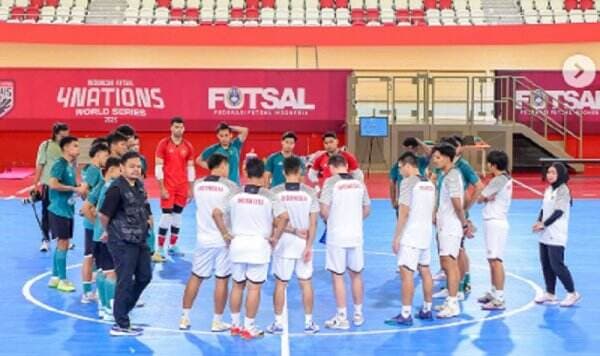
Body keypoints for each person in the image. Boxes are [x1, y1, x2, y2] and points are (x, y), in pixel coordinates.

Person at [213, 158, 288, 340]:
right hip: (259, 247)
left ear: (245, 173)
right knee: (254, 289)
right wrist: (275, 238)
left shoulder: (234, 194)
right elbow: (284, 217)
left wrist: (225, 234)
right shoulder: (270, 196)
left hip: (237, 245)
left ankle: (235, 325)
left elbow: (216, 213)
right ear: (263, 175)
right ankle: (249, 327)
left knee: (237, 286)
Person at [179, 153, 239, 332]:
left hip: (202, 239)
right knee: (222, 279)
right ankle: (217, 321)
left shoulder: (198, 184)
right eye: (227, 166)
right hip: (223, 240)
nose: (228, 169)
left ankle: (184, 318)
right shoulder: (231, 187)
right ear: (221, 165)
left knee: (196, 276)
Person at [99, 151, 153, 337]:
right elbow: (104, 215)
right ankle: (121, 324)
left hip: (140, 239)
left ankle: (121, 311)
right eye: (132, 166)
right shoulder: (116, 189)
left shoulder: (139, 185)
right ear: (121, 168)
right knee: (125, 280)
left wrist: (148, 219)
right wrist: (110, 232)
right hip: (122, 241)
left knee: (145, 276)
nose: (136, 169)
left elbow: (144, 205)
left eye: (138, 166)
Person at [267, 156, 320, 335]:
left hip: (283, 244)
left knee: (281, 283)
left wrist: (292, 230)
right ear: (300, 171)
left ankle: (278, 323)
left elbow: (275, 221)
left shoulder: (274, 192)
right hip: (303, 245)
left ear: (283, 172)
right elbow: (313, 223)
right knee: (305, 282)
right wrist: (309, 246)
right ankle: (309, 322)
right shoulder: (310, 193)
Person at [320, 154, 371, 330]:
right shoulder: (359, 182)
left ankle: (342, 317)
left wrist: (331, 221)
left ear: (332, 167)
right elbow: (367, 209)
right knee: (356, 274)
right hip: (356, 235)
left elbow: (324, 209)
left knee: (338, 275)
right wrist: (354, 221)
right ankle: (358, 314)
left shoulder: (330, 182)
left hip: (337, 236)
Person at [385, 152, 435, 326]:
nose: (399, 172)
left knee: (407, 274)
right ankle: (427, 309)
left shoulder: (407, 184)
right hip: (426, 233)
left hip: (411, 235)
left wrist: (397, 237)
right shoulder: (429, 183)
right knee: (426, 270)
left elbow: (403, 213)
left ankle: (405, 314)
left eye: (400, 167)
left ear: (407, 165)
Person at [431, 143, 472, 319]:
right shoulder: (446, 175)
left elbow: (457, 202)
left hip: (450, 225)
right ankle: (450, 299)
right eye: (434, 157)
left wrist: (464, 223)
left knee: (450, 263)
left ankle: (453, 303)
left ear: (448, 157)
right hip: (444, 224)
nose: (435, 160)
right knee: (446, 262)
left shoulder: (453, 176)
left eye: (438, 157)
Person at [532, 163, 581, 307]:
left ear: (560, 174)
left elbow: (559, 211)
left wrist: (544, 224)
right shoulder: (548, 189)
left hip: (556, 232)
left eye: (553, 173)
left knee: (557, 265)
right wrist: (539, 221)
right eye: (548, 172)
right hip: (545, 233)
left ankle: (572, 293)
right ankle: (550, 293)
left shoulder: (563, 190)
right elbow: (544, 209)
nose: (550, 175)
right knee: (546, 264)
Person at [82, 157, 122, 321]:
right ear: (112, 170)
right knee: (111, 274)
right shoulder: (112, 189)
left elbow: (86, 208)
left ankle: (103, 306)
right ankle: (111, 310)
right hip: (108, 236)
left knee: (101, 271)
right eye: (120, 169)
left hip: (97, 235)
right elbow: (106, 214)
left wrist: (96, 224)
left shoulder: (100, 186)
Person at [47, 136, 86, 293]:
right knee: (63, 243)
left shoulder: (71, 166)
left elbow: (74, 187)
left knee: (61, 243)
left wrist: (80, 189)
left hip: (67, 210)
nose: (78, 149)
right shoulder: (59, 164)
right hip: (59, 210)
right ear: (67, 148)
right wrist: (74, 189)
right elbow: (53, 184)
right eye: (75, 146)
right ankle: (63, 280)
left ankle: (55, 277)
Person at [477, 150, 513, 310]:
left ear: (494, 165)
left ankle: (499, 299)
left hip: (495, 222)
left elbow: (480, 197)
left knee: (496, 261)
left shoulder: (498, 180)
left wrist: (484, 197)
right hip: (494, 221)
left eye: (489, 163)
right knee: (492, 260)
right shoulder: (504, 178)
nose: (487, 166)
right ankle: (494, 292)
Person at [154, 117, 195, 258]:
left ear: (184, 128)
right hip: (168, 186)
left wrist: (191, 188)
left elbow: (190, 168)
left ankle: (172, 246)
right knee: (166, 216)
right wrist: (161, 188)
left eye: (181, 127)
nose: (178, 129)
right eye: (176, 126)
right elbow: (158, 167)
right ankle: (159, 248)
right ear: (171, 128)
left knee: (177, 216)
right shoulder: (163, 144)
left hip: (182, 187)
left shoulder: (188, 146)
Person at [32, 122, 70, 252]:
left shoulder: (68, 147)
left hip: (63, 186)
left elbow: (71, 166)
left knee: (63, 213)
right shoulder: (46, 146)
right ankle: (45, 240)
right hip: (49, 185)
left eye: (67, 135)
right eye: (62, 135)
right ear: (55, 134)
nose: (65, 138)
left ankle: (63, 238)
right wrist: (35, 184)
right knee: (47, 213)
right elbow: (40, 165)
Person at [80, 142, 110, 304]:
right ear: (98, 155)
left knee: (94, 257)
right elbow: (83, 190)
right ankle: (87, 293)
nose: (107, 158)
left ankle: (94, 291)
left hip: (92, 220)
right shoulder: (93, 170)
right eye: (105, 155)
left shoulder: (92, 170)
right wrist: (90, 213)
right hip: (92, 222)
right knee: (90, 256)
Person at [389, 137, 431, 217]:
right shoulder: (398, 164)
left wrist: (419, 141)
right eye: (407, 148)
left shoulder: (421, 161)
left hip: (419, 199)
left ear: (416, 148)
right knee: (403, 225)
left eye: (412, 147)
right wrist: (393, 200)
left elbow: (430, 153)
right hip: (403, 199)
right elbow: (392, 183)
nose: (409, 149)